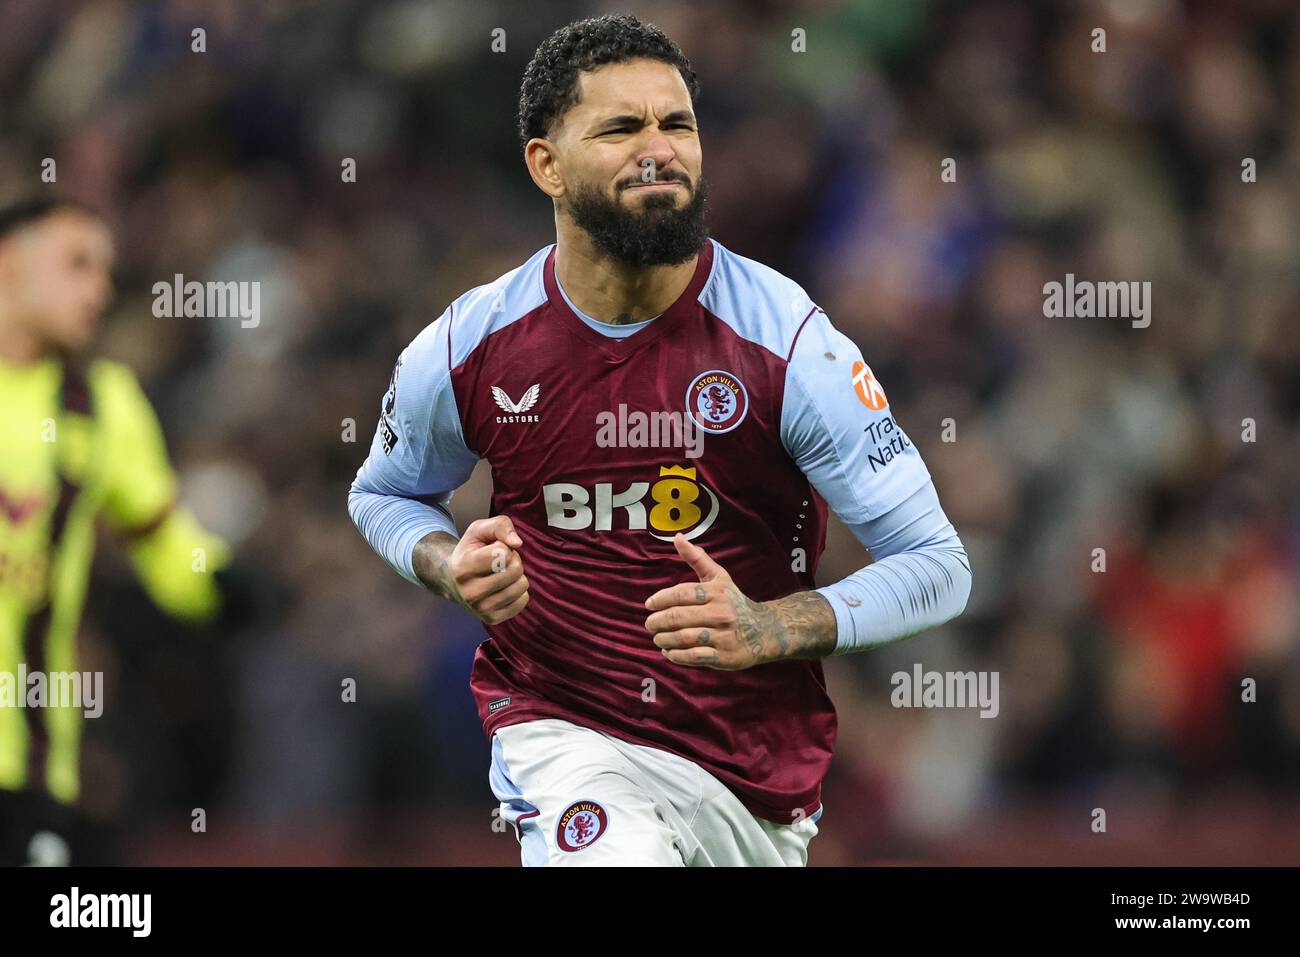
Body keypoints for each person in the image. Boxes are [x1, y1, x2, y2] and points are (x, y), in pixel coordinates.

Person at [349, 14, 971, 866]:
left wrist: (775, 626)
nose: (660, 149)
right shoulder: (468, 345)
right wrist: (445, 563)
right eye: (621, 127)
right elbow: (382, 493)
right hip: (563, 733)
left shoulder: (789, 343)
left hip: (753, 777)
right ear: (547, 165)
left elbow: (937, 564)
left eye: (677, 123)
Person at [0, 196, 231, 865]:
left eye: (105, 271)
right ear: (10, 264)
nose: (99, 290)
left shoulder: (103, 404)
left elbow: (166, 544)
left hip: (28, 766)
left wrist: (223, 584)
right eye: (77, 264)